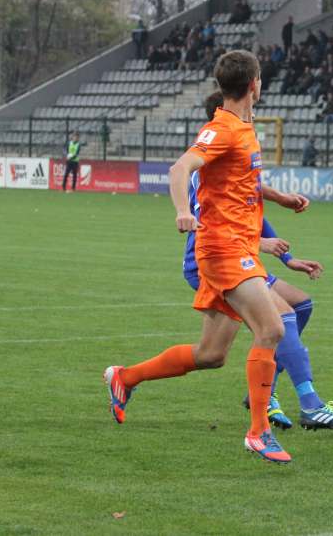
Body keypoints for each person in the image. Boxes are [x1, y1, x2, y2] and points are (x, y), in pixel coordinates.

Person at [102, 50, 310, 464]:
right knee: (272, 328)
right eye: (261, 78)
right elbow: (180, 169)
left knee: (211, 355)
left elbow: (242, 181)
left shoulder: (245, 129)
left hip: (238, 247)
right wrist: (182, 211)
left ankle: (125, 377)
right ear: (254, 84)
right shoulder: (224, 128)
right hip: (223, 249)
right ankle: (259, 431)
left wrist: (280, 198)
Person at [185, 91, 333, 432]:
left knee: (296, 308)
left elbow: (250, 205)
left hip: (239, 255)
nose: (252, 111)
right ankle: (307, 404)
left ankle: (125, 377)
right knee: (282, 320)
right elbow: (208, 218)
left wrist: (288, 257)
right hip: (218, 259)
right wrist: (260, 241)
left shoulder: (234, 152)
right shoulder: (208, 160)